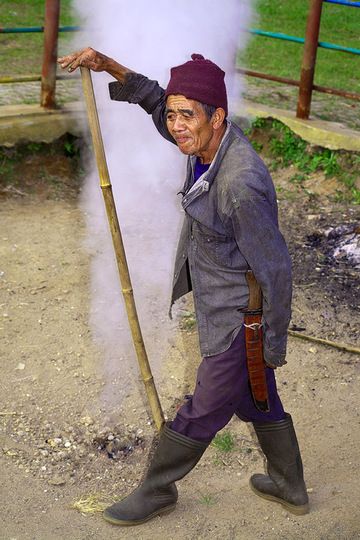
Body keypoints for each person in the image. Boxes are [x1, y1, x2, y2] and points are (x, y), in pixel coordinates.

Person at [58, 48, 309, 526]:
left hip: (240, 319)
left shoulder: (240, 183)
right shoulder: (201, 142)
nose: (175, 125)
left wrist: (271, 342)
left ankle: (157, 490)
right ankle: (289, 485)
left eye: (186, 116)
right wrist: (108, 65)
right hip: (221, 305)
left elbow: (275, 269)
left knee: (205, 407)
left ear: (218, 116)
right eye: (173, 115)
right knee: (256, 394)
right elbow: (156, 100)